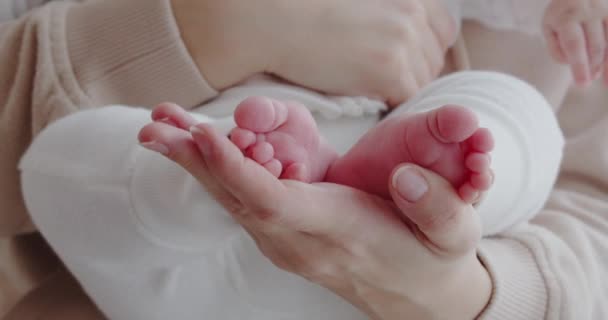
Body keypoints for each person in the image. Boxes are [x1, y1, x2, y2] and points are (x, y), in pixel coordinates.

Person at [1, 1, 607, 320]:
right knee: (87, 158)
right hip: (252, 145)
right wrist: (214, 26)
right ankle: (205, 183)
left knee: (513, 115)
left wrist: (465, 294)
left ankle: (445, 194)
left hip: (417, 262)